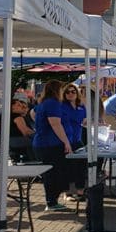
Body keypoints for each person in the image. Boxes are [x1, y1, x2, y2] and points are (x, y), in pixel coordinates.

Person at [32, 80, 72, 212]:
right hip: (50, 145)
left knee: (55, 173)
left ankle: (52, 200)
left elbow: (32, 113)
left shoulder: (45, 103)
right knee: (53, 174)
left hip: (46, 143)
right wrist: (66, 141)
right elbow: (55, 124)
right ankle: (51, 201)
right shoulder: (52, 103)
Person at [61, 83, 86, 202]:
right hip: (66, 140)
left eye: (73, 91)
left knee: (81, 166)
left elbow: (84, 121)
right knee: (67, 167)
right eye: (68, 92)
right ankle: (67, 193)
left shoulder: (81, 107)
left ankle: (80, 191)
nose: (70, 94)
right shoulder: (62, 106)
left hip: (77, 139)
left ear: (77, 93)